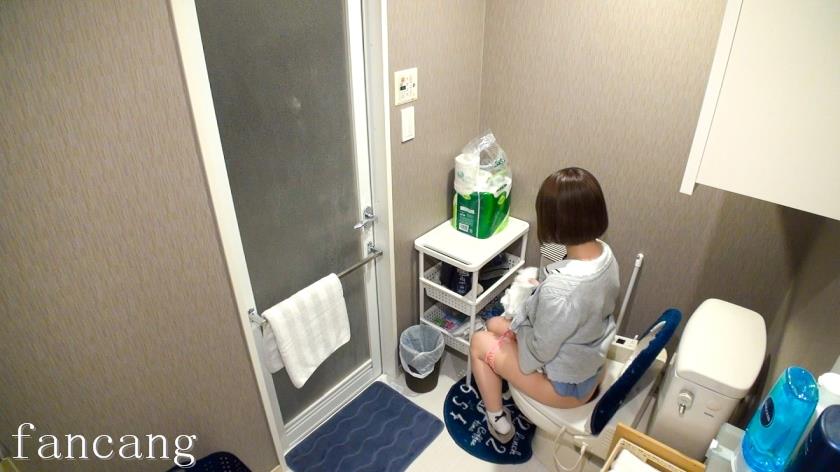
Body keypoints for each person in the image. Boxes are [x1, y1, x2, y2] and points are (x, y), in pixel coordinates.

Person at [469, 167, 619, 444]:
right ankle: (501, 375)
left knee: (480, 340)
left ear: (553, 221)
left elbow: (537, 353)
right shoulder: (605, 256)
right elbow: (578, 309)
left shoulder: (560, 290)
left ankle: (497, 421)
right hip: (590, 364)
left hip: (566, 388)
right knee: (494, 324)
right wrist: (534, 306)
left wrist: (517, 322)